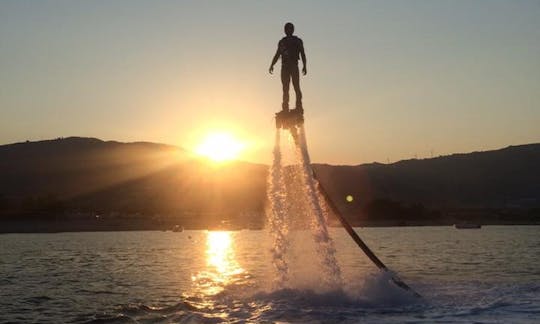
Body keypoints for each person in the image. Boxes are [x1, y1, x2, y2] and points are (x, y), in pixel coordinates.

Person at [269, 22, 307, 112]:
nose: (288, 30)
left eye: (290, 29)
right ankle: (285, 108)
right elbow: (277, 54)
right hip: (285, 67)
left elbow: (302, 53)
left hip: (294, 66)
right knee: (285, 88)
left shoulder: (297, 41)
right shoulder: (282, 42)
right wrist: (272, 64)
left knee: (296, 86)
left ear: (292, 30)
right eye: (287, 29)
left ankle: (299, 106)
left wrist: (305, 66)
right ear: (285, 30)